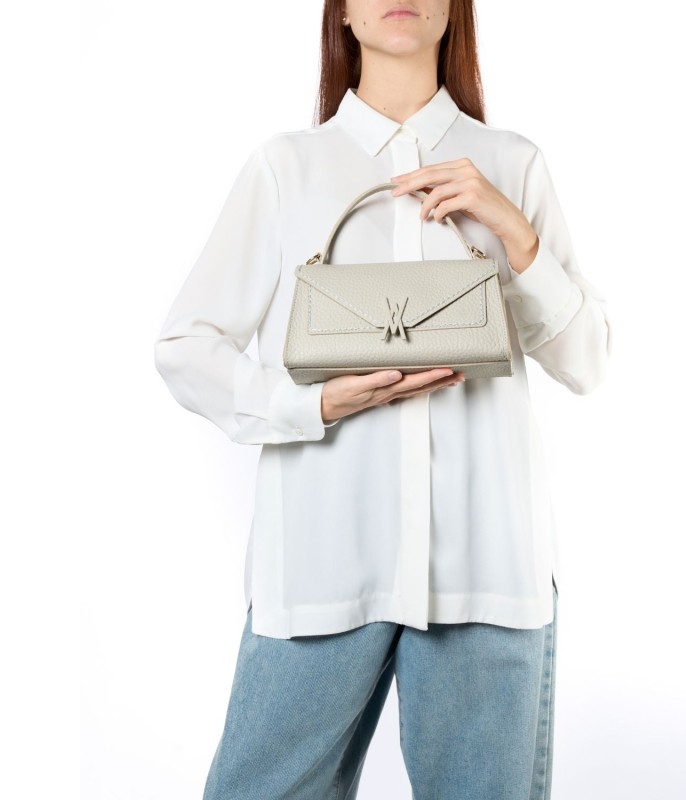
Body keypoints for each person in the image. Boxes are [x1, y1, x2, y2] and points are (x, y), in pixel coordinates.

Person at [153, 1, 610, 797]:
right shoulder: (285, 169)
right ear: (342, 15)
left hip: (487, 571)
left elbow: (586, 361)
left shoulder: (513, 164)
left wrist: (514, 233)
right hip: (321, 569)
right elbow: (187, 346)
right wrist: (312, 406)